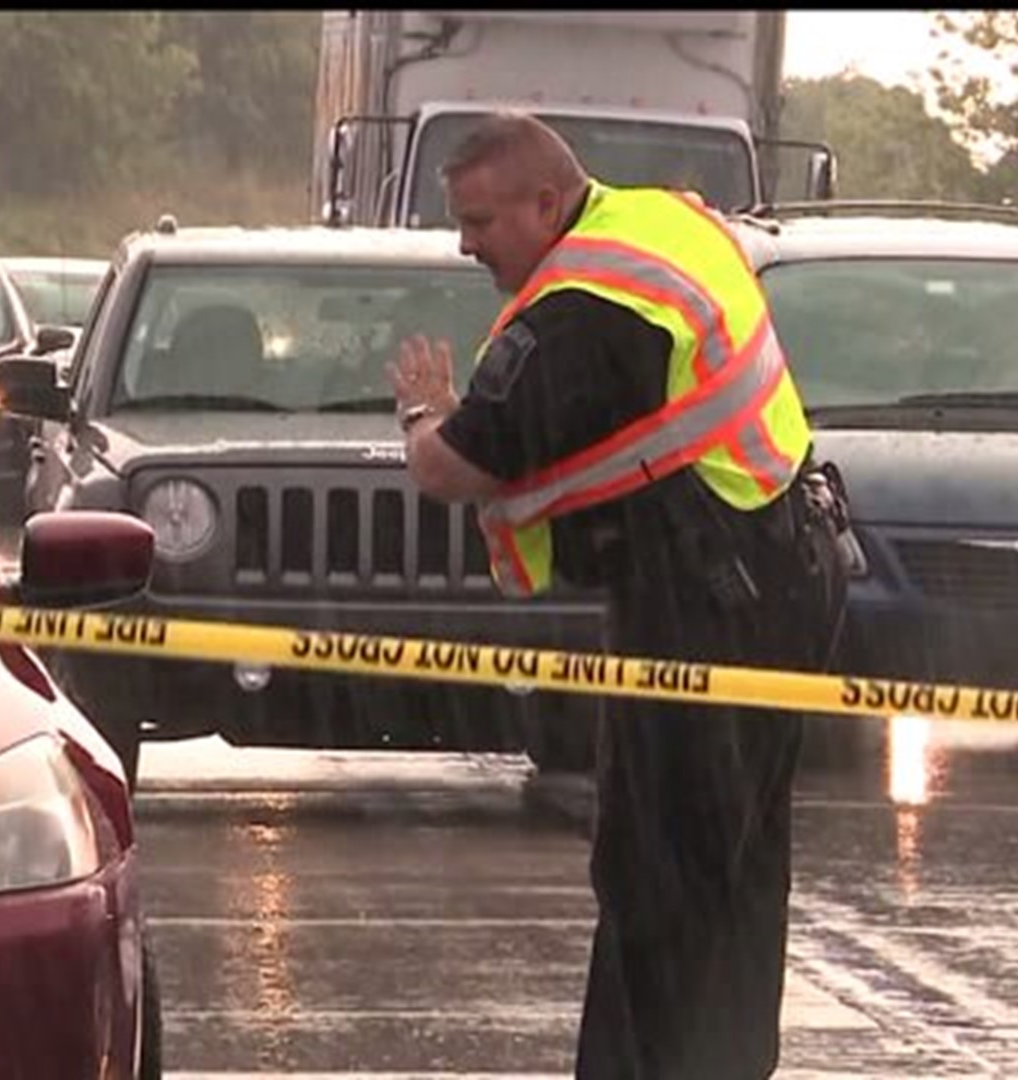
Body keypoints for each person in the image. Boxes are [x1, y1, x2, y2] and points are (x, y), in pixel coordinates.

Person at [388, 112, 851, 1078]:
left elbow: (456, 465)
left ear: (545, 203)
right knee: (737, 875)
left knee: (657, 877)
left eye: (480, 221)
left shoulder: (587, 308)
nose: (466, 244)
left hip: (701, 605)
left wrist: (421, 413)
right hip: (781, 571)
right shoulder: (658, 224)